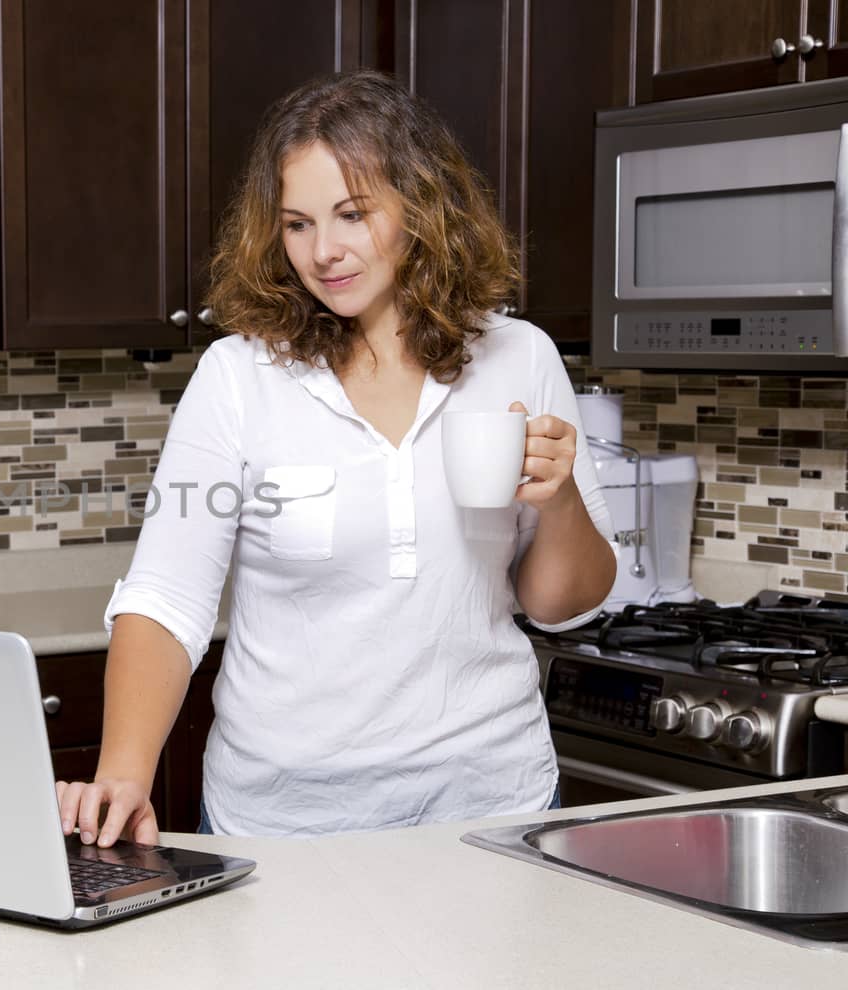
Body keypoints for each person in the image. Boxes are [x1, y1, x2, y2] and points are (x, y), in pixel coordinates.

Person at [56, 70, 617, 844]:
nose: (324, 252)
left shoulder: (519, 358)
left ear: (422, 207)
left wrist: (558, 503)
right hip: (282, 825)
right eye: (297, 224)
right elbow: (166, 598)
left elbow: (562, 602)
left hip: (493, 806)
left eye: (353, 215)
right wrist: (124, 772)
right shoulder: (239, 377)